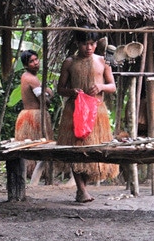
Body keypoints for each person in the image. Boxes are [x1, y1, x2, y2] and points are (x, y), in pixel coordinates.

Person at [55, 29, 117, 203]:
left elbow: (112, 86)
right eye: (84, 44)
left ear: (96, 44)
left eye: (92, 44)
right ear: (77, 43)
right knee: (76, 149)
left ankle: (83, 188)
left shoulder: (102, 62)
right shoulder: (69, 62)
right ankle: (81, 190)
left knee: (91, 150)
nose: (88, 47)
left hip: (97, 111)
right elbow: (60, 89)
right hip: (74, 111)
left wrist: (101, 87)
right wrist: (71, 91)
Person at [15, 50, 52, 185]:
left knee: (32, 149)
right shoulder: (31, 78)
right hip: (34, 116)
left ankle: (32, 180)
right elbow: (44, 100)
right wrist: (49, 93)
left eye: (36, 59)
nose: (36, 63)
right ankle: (33, 181)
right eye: (31, 61)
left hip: (28, 115)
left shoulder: (26, 76)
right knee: (40, 148)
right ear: (25, 65)